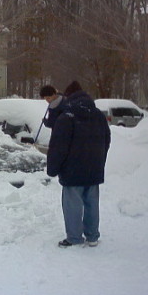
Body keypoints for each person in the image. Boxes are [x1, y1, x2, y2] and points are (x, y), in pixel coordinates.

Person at [46, 81, 111, 248]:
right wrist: (99, 160)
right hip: (94, 168)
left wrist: (53, 168)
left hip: (72, 169)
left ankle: (74, 237)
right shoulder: (98, 116)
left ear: (68, 97)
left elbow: (58, 146)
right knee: (92, 203)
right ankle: (92, 236)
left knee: (72, 204)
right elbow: (106, 140)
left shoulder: (67, 117)